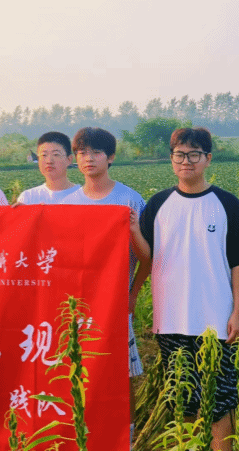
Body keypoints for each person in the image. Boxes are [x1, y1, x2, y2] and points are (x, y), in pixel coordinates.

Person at [137, 127, 239, 451]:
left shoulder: (227, 204)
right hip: (171, 321)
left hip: (216, 322)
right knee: (183, 402)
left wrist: (238, 313)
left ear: (208, 158)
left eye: (194, 154)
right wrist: (129, 228)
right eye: (179, 154)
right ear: (171, 159)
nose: (186, 161)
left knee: (220, 403)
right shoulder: (158, 204)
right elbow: (147, 256)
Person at [61, 127, 150, 444]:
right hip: (75, 305)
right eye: (82, 152)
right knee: (76, 369)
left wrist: (132, 294)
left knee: (121, 372)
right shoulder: (67, 203)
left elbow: (147, 257)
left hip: (114, 305)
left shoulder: (130, 199)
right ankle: (80, 433)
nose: (88, 158)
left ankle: (125, 436)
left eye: (96, 152)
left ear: (110, 157)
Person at [15, 131, 80, 204]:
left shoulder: (84, 196)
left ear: (69, 159)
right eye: (44, 155)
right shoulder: (28, 198)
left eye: (56, 154)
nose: (49, 161)